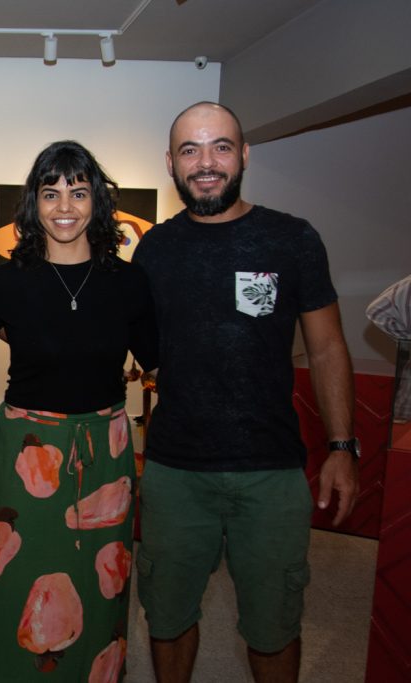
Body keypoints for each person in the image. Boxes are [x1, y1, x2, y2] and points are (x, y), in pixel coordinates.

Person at [133, 101, 359, 682]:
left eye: (220, 147)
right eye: (190, 150)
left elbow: (330, 347)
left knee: (274, 625)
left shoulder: (293, 239)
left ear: (244, 155)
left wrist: (342, 446)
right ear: (170, 163)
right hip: (175, 472)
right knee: (166, 617)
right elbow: (143, 350)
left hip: (271, 473)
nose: (205, 163)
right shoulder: (154, 250)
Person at [0, 141, 158, 681]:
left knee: (104, 587)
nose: (65, 206)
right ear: (33, 204)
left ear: (96, 200)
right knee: (13, 586)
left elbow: (162, 363)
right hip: (23, 456)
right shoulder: (5, 283)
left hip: (106, 453)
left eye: (78, 191)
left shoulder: (129, 282)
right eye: (51, 193)